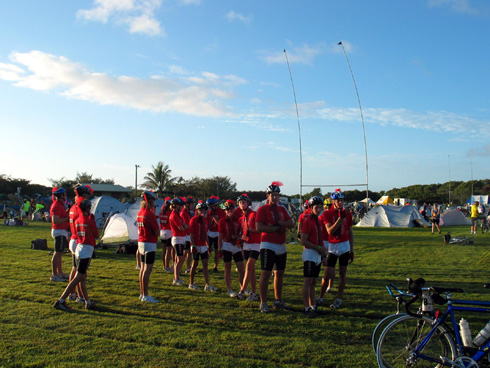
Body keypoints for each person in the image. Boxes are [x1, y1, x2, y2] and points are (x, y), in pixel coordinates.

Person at [256, 181, 295, 313]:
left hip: (281, 244)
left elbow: (292, 223)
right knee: (266, 273)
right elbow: (259, 227)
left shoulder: (282, 209)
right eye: (272, 195)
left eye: (276, 195)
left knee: (279, 274)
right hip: (268, 244)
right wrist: (274, 228)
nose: (274, 197)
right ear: (268, 196)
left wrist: (280, 223)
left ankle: (278, 300)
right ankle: (263, 302)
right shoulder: (262, 209)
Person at [53, 200, 99, 311]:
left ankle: (87, 302)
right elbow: (97, 235)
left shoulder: (77, 220)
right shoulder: (89, 221)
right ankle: (61, 300)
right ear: (88, 209)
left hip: (79, 247)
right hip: (86, 249)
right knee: (78, 277)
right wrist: (92, 221)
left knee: (82, 277)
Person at [317, 189, 354, 309]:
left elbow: (350, 232)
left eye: (342, 200)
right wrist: (339, 219)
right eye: (338, 201)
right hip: (332, 246)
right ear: (333, 201)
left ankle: (339, 298)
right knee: (327, 273)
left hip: (344, 245)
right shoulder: (327, 214)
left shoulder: (347, 213)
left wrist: (352, 249)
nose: (341, 203)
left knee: (342, 273)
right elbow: (329, 231)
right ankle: (321, 296)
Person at [300, 196, 327, 314]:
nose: (319, 209)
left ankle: (313, 305)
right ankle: (306, 306)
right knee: (308, 281)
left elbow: (320, 238)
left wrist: (323, 255)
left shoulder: (319, 221)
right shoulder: (307, 221)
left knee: (314, 282)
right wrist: (318, 248)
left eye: (320, 207)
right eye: (316, 207)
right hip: (310, 253)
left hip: (317, 254)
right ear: (311, 208)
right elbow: (303, 240)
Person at [67, 185, 93, 302]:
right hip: (79, 240)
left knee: (75, 269)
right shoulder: (80, 206)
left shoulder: (73, 206)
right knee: (80, 274)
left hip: (73, 238)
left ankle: (73, 294)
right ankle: (79, 295)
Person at [235, 194, 261, 302]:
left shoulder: (254, 214)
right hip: (246, 244)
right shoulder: (241, 218)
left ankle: (242, 291)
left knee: (249, 266)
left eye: (244, 202)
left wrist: (249, 230)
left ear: (248, 204)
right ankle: (254, 293)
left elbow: (259, 229)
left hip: (256, 243)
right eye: (240, 203)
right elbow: (243, 231)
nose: (242, 204)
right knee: (251, 270)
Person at [136, 191, 160, 303]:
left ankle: (142, 293)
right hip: (149, 243)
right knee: (147, 270)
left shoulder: (140, 212)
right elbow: (157, 231)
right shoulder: (149, 214)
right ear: (150, 202)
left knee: (142, 269)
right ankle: (145, 295)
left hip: (141, 242)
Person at [218, 200, 245, 297]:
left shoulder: (238, 219)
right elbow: (220, 235)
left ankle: (243, 287)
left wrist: (239, 238)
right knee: (227, 267)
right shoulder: (222, 221)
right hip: (227, 245)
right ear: (225, 211)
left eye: (231, 209)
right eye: (227, 210)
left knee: (241, 268)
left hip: (236, 245)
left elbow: (242, 231)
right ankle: (229, 289)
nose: (229, 211)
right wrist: (219, 248)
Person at [188, 201, 217, 291]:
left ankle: (207, 284)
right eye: (201, 210)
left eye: (204, 210)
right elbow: (191, 233)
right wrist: (193, 245)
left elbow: (205, 234)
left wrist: (208, 245)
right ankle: (191, 283)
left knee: (205, 264)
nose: (203, 211)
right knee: (195, 264)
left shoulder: (205, 220)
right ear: (197, 210)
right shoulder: (193, 220)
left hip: (203, 245)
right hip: (196, 245)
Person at [50, 187, 69, 282]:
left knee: (60, 253)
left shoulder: (61, 205)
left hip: (62, 231)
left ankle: (60, 273)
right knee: (57, 253)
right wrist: (67, 219)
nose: (65, 196)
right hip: (59, 231)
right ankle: (54, 274)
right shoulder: (56, 205)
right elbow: (55, 220)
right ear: (61, 196)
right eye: (64, 194)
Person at [169, 197, 186, 286]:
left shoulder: (177, 214)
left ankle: (177, 276)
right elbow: (181, 227)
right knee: (180, 258)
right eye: (180, 206)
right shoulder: (174, 215)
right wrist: (185, 227)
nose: (182, 207)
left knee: (178, 259)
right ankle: (176, 278)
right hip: (177, 238)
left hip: (180, 238)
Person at [206, 196, 225, 273]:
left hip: (217, 233)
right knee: (207, 250)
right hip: (209, 232)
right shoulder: (209, 212)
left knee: (217, 251)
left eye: (211, 206)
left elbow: (221, 224)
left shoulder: (221, 212)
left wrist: (215, 218)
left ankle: (215, 266)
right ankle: (205, 266)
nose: (210, 208)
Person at [159, 197, 173, 273]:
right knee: (168, 250)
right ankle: (167, 266)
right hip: (168, 232)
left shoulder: (161, 213)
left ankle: (164, 266)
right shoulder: (169, 213)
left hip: (162, 231)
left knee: (164, 250)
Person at [181, 197, 194, 274]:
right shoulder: (184, 213)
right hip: (186, 235)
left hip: (188, 235)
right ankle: (186, 267)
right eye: (191, 204)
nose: (192, 206)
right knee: (186, 252)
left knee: (188, 252)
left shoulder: (187, 212)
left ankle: (188, 267)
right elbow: (186, 225)